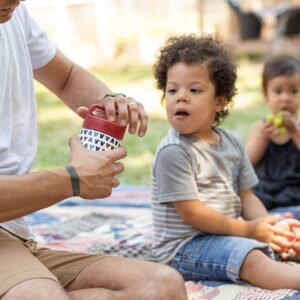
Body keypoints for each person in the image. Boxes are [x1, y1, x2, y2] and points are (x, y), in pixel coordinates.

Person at [0, 1, 188, 300]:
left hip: (13, 233)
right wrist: (72, 179)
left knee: (161, 287)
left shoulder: (15, 15)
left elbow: (66, 77)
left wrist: (110, 100)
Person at [151, 34, 300, 290]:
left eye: (194, 90)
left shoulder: (230, 142)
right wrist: (250, 231)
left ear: (219, 101)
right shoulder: (173, 152)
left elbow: (247, 196)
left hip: (228, 234)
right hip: (186, 247)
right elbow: (192, 213)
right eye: (172, 89)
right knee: (252, 258)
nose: (180, 97)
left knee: (289, 239)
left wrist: (269, 228)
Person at [245, 56, 300, 219]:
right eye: (277, 91)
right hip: (266, 195)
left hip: (296, 193)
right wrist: (261, 138)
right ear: (265, 95)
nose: (285, 98)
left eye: (294, 91)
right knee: (245, 202)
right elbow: (245, 164)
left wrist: (295, 132)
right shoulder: (259, 129)